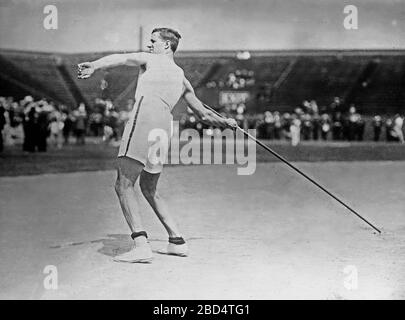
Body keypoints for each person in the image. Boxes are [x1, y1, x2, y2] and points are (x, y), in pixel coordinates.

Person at [78, 27, 237, 263]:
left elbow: (120, 58)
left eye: (153, 41)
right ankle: (177, 240)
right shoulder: (182, 77)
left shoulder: (150, 59)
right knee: (149, 188)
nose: (149, 45)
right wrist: (226, 122)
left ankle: (141, 245)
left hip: (145, 118)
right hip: (164, 127)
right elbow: (203, 114)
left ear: (166, 46)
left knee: (123, 184)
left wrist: (94, 65)